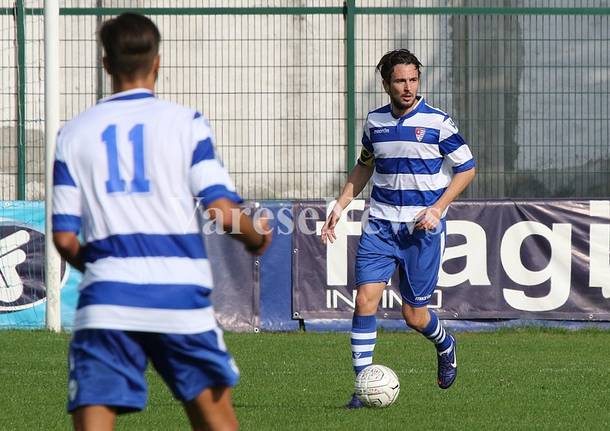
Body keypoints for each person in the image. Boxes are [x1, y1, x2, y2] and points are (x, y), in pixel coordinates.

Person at [52, 13, 271, 430]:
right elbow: (220, 211)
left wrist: (105, 269)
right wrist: (256, 238)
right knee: (216, 422)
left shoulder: (73, 133)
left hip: (108, 298)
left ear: (105, 64)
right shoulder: (184, 123)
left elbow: (64, 238)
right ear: (158, 63)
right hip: (178, 296)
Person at [320, 49, 476, 408]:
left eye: (412, 80)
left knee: (414, 316)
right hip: (379, 227)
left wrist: (438, 208)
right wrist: (340, 206)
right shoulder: (375, 123)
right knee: (364, 301)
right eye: (399, 81)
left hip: (421, 232)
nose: (407, 88)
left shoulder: (439, 123)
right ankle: (362, 389)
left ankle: (444, 343)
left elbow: (467, 168)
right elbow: (364, 167)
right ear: (386, 84)